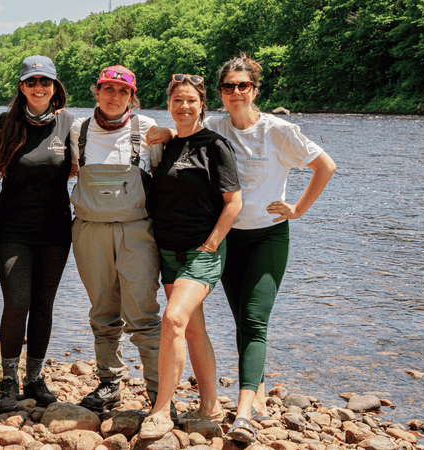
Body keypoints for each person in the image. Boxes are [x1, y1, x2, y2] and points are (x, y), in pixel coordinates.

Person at [148, 53, 336, 442]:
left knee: (253, 321)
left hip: (266, 236)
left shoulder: (278, 130)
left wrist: (298, 209)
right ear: (219, 94)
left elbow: (326, 166)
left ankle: (246, 413)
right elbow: (186, 127)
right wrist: (166, 134)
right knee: (239, 321)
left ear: (255, 89)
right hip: (229, 239)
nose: (236, 92)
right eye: (229, 87)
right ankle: (247, 391)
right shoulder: (216, 125)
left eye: (243, 86)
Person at [139, 74, 242, 439]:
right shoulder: (166, 145)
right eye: (177, 100)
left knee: (173, 320)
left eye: (191, 101)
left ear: (202, 105)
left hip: (201, 250)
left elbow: (234, 202)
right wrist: (166, 134)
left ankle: (161, 410)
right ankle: (210, 404)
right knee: (192, 328)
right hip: (169, 249)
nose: (184, 107)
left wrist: (213, 243)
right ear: (169, 104)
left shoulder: (215, 145)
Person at [0, 55, 74, 412]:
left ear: (55, 87)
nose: (38, 88)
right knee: (17, 303)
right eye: (31, 82)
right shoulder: (5, 123)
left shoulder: (68, 124)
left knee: (43, 305)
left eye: (45, 82)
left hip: (56, 230)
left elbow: (93, 163)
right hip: (12, 230)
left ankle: (34, 379)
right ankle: (7, 380)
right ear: (21, 86)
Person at [69, 65, 164, 412]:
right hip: (89, 230)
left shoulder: (148, 130)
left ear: (131, 96)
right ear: (96, 91)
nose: (114, 96)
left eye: (122, 91)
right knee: (102, 311)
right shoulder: (77, 130)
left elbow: (168, 179)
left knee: (143, 314)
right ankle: (110, 384)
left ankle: (158, 393)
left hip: (136, 231)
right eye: (108, 89)